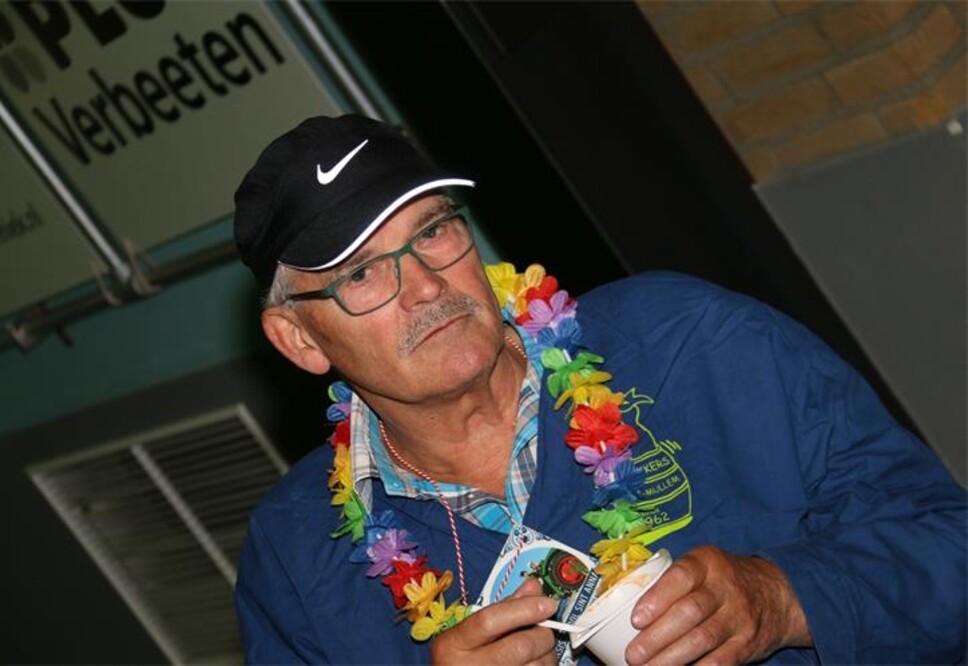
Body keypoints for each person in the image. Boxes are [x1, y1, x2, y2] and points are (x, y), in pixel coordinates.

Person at [232, 114, 966, 665]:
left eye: (432, 232)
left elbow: (948, 543)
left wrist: (785, 598)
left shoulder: (691, 342)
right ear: (299, 339)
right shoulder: (296, 553)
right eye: (362, 274)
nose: (426, 286)